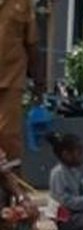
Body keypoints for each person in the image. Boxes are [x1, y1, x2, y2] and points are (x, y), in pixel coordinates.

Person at [0, 0, 37, 164]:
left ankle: (13, 183)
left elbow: (32, 43)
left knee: (9, 136)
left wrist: (38, 79)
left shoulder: (22, 3)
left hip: (12, 77)